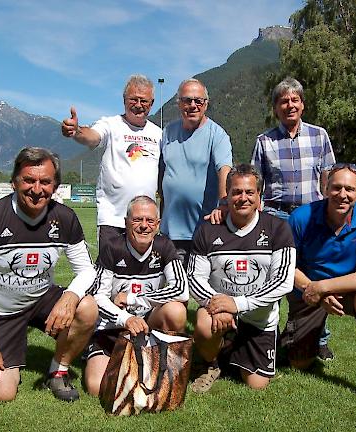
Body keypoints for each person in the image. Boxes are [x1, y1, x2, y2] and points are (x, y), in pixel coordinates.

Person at [0, 147, 98, 402]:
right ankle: (10, 348)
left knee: (87, 307)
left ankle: (57, 372)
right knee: (2, 395)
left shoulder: (65, 217)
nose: (37, 189)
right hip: (1, 312)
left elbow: (88, 270)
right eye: (29, 180)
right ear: (14, 182)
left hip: (42, 300)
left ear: (55, 185)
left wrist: (70, 296)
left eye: (45, 182)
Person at [282, 163, 356, 416]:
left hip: (348, 290)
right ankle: (304, 337)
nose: (343, 194)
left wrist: (324, 287)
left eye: (350, 189)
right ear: (325, 189)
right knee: (299, 364)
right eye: (337, 187)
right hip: (308, 292)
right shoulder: (301, 218)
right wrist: (316, 292)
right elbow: (288, 265)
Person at [188, 164, 295, 392]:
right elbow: (195, 278)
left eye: (249, 192)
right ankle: (211, 362)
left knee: (257, 385)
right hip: (218, 313)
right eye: (236, 192)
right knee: (204, 323)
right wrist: (219, 305)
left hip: (259, 319)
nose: (243, 198)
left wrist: (237, 304)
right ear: (227, 196)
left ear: (259, 197)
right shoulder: (208, 230)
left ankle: (231, 349)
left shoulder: (278, 229)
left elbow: (283, 281)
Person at [251, 76, 337, 361]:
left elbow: (328, 176)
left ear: (302, 104)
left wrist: (328, 210)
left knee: (314, 276)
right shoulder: (264, 141)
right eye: (283, 101)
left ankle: (319, 338)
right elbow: (256, 182)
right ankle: (269, 334)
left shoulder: (319, 135)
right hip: (276, 215)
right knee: (274, 277)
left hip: (311, 215)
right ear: (276, 107)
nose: (290, 105)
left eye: (295, 100)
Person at [82, 195, 189, 395]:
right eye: (137, 220)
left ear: (157, 225)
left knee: (176, 310)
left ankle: (166, 362)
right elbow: (98, 296)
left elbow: (181, 290)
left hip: (148, 324)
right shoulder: (112, 247)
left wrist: (133, 299)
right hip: (113, 328)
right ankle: (99, 354)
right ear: (126, 222)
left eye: (150, 221)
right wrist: (126, 318)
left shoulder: (164, 246)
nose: (143, 226)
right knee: (96, 388)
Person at [61, 74, 162, 251]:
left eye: (144, 101)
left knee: (141, 275)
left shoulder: (158, 134)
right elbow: (92, 137)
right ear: (124, 100)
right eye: (133, 99)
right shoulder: (110, 124)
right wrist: (77, 131)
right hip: (113, 219)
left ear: (151, 103)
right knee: (109, 276)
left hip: (145, 221)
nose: (138, 105)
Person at [159, 78, 233, 267]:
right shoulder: (168, 132)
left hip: (204, 231)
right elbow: (161, 170)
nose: (193, 105)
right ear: (179, 103)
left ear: (205, 104)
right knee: (174, 292)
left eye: (198, 101)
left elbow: (224, 168)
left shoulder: (217, 134)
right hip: (170, 233)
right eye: (187, 100)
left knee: (206, 293)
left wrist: (224, 202)